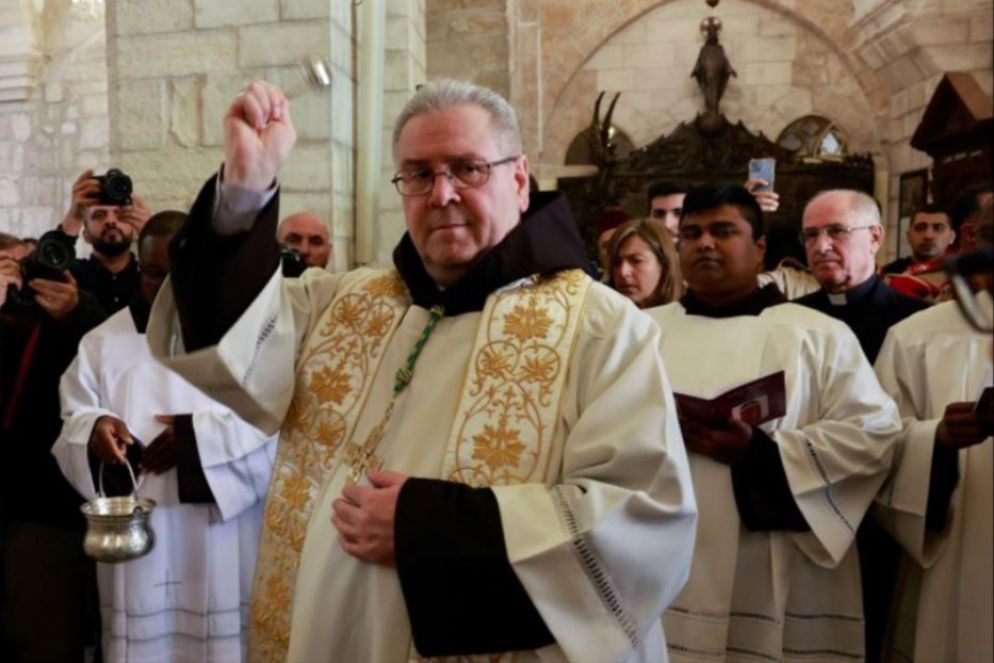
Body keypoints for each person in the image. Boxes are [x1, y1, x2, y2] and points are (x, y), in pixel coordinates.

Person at [147, 79, 697, 661]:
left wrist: (424, 530)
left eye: (467, 168)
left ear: (518, 177)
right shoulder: (342, 301)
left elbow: (642, 518)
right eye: (418, 174)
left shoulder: (602, 328)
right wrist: (243, 193)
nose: (442, 194)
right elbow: (231, 334)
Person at [647, 184, 902, 661]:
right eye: (692, 234)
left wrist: (760, 454)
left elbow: (873, 436)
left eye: (724, 231)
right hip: (663, 553)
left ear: (759, 247)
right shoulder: (642, 332)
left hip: (775, 557)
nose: (705, 244)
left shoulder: (818, 334)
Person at [52, 211, 277, 663]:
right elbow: (73, 415)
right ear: (139, 267)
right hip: (139, 531)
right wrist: (95, 428)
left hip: (219, 529)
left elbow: (271, 424)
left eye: (182, 274)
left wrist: (194, 441)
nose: (169, 287)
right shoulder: (102, 342)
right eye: (155, 273)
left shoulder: (242, 340)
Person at [792, 189, 928, 661]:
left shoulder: (916, 324)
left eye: (836, 231)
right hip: (807, 502)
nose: (821, 244)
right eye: (811, 234)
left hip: (888, 512)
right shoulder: (788, 321)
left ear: (875, 237)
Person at [873, 202, 993, 662]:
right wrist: (937, 440)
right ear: (972, 242)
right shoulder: (916, 337)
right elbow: (878, 447)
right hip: (954, 557)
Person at [1, 232, 107, 661]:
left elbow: (109, 355)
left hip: (44, 505)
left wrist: (76, 311)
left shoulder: (74, 315)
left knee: (43, 632)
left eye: (30, 266)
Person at [55, 168, 152, 313]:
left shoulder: (153, 277)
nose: (111, 221)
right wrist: (73, 218)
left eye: (121, 214)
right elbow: (42, 276)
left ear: (134, 231)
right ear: (85, 234)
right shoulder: (70, 275)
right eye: (99, 215)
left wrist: (153, 232)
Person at [607, 218, 682, 308]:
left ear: (664, 264)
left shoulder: (690, 318)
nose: (623, 272)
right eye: (617, 263)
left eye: (636, 261)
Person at [880, 203, 954, 276]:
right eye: (920, 228)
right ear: (908, 235)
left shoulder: (959, 275)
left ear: (951, 237)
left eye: (938, 228)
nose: (928, 236)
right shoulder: (889, 274)